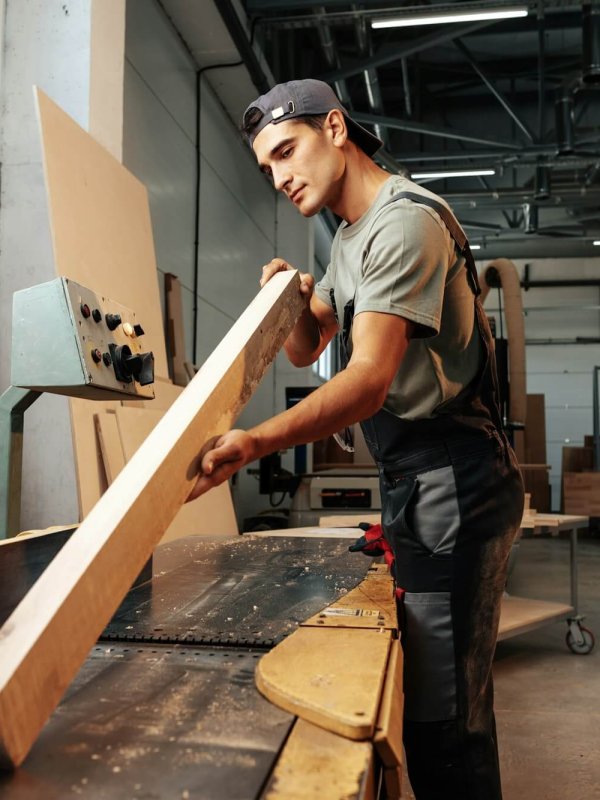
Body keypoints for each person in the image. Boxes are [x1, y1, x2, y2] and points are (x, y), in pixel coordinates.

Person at [189, 78, 524, 800]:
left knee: (445, 713)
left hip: (455, 479)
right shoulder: (349, 238)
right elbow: (310, 349)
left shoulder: (404, 225)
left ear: (334, 128)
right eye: (266, 167)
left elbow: (368, 380)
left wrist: (255, 442)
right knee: (435, 694)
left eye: (286, 151)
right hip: (416, 476)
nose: (278, 178)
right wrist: (285, 302)